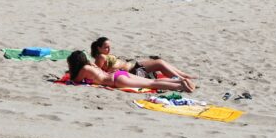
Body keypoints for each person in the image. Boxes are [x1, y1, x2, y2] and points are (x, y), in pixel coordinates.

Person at [66, 51, 194, 92]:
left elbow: (75, 81)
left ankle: (181, 85)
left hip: (115, 80)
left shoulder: (84, 69)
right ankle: (180, 81)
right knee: (153, 81)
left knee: (152, 84)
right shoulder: (91, 65)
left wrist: (72, 73)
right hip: (119, 74)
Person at [90, 37, 194, 80]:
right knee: (159, 64)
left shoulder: (105, 55)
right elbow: (98, 72)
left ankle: (183, 76)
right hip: (133, 71)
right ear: (99, 48)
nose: (109, 49)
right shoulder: (101, 57)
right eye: (106, 47)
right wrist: (111, 72)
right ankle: (182, 80)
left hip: (134, 66)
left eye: (109, 47)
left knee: (159, 62)